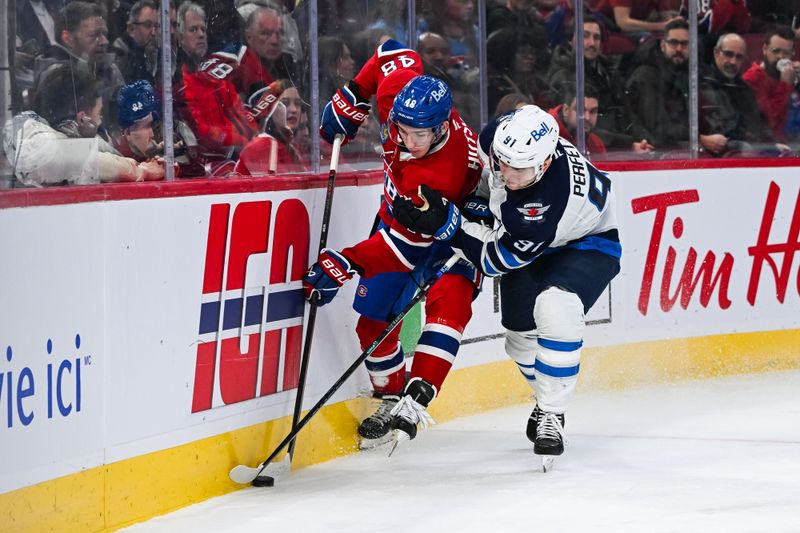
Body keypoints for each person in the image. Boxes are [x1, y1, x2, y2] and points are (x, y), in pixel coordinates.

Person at [392, 104, 621, 461]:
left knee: (555, 306)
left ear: (544, 164)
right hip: (529, 240)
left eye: (520, 168)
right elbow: (487, 179)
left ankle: (551, 412)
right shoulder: (501, 136)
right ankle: (547, 398)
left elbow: (493, 261)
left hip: (588, 243)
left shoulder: (542, 207)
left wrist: (448, 226)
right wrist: (467, 205)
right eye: (504, 161)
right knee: (517, 336)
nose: (508, 173)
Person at [302, 39, 484, 446]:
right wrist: (355, 94)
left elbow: (403, 250)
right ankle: (388, 396)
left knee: (448, 306)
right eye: (400, 128)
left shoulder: (440, 174)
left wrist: (346, 262)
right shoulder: (399, 99)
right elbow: (391, 50)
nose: (405, 140)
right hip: (398, 221)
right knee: (371, 322)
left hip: (450, 237)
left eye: (418, 134)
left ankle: (417, 396)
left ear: (440, 128)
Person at [5, 66, 163, 186]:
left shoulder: (62, 142)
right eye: (99, 114)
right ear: (82, 119)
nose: (101, 121)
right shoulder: (33, 141)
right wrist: (141, 170)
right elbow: (78, 158)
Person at [548, 15, 653, 154]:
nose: (591, 43)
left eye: (596, 37)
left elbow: (629, 113)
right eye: (584, 36)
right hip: (596, 153)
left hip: (624, 146)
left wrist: (644, 139)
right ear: (570, 40)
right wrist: (628, 145)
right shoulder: (562, 76)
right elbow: (579, 128)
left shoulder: (609, 72)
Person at [699, 33, 789, 156]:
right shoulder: (700, 85)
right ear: (716, 52)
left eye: (739, 57)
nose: (733, 61)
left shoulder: (744, 88)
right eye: (728, 54)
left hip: (740, 151)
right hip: (709, 156)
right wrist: (701, 139)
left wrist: (772, 144)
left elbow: (758, 124)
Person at [33, 1, 125, 112]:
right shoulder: (57, 76)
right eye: (94, 35)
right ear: (68, 38)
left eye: (104, 34)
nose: (104, 41)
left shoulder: (109, 69)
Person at [625, 18, 691, 151]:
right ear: (662, 45)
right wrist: (698, 137)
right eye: (673, 43)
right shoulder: (646, 77)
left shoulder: (691, 73)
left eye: (684, 44)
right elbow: (658, 128)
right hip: (658, 149)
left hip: (681, 143)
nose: (679, 48)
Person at [742, 26, 800, 143]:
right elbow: (772, 124)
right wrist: (785, 85)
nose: (780, 57)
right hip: (772, 147)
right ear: (764, 49)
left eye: (786, 53)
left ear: (793, 53)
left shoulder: (792, 74)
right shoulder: (753, 78)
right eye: (775, 51)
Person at [547, 84, 607, 159]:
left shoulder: (595, 143)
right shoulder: (545, 136)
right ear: (566, 110)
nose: (587, 118)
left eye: (593, 111)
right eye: (580, 110)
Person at [111, 0, 160, 84]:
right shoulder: (120, 58)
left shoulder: (157, 56)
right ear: (131, 29)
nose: (153, 32)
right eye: (147, 25)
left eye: (156, 26)